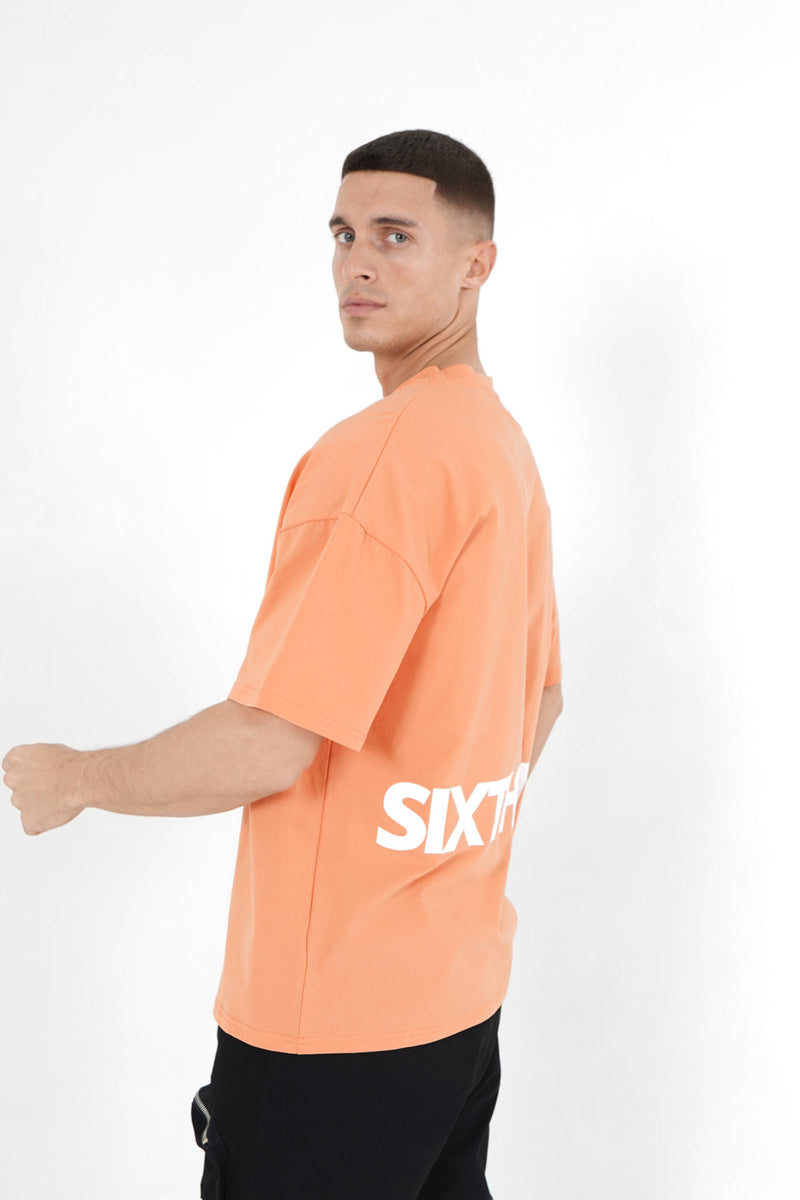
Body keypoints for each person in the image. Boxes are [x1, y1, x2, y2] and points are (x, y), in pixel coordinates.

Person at [3, 128, 563, 1199]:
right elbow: (540, 698)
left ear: (475, 263)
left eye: (395, 236)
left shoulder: (382, 457)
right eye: (343, 234)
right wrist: (438, 833)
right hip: (454, 1000)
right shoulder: (498, 445)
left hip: (331, 1029)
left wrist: (73, 778)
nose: (358, 264)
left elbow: (268, 742)